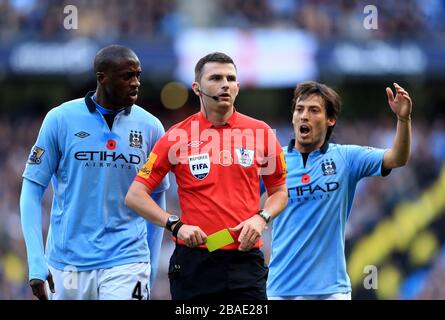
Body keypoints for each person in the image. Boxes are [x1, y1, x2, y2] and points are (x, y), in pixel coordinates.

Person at [125, 52, 288, 300]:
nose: (225, 84)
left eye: (231, 78)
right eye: (216, 78)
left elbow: (279, 191)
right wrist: (175, 225)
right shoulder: (176, 136)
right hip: (194, 262)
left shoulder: (261, 132)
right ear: (197, 88)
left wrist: (261, 218)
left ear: (238, 87)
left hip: (245, 261)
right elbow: (135, 195)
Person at [20, 45, 169, 300]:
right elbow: (32, 189)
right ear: (102, 77)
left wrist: (152, 264)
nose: (136, 83)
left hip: (127, 260)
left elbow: (155, 199)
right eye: (127, 76)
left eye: (138, 75)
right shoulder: (60, 119)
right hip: (67, 263)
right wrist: (36, 260)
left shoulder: (151, 127)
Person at [266, 81, 412, 300]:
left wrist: (403, 119)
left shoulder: (346, 157)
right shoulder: (273, 162)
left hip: (332, 291)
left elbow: (397, 158)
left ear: (330, 119)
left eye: (314, 110)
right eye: (299, 109)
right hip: (280, 289)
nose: (304, 116)